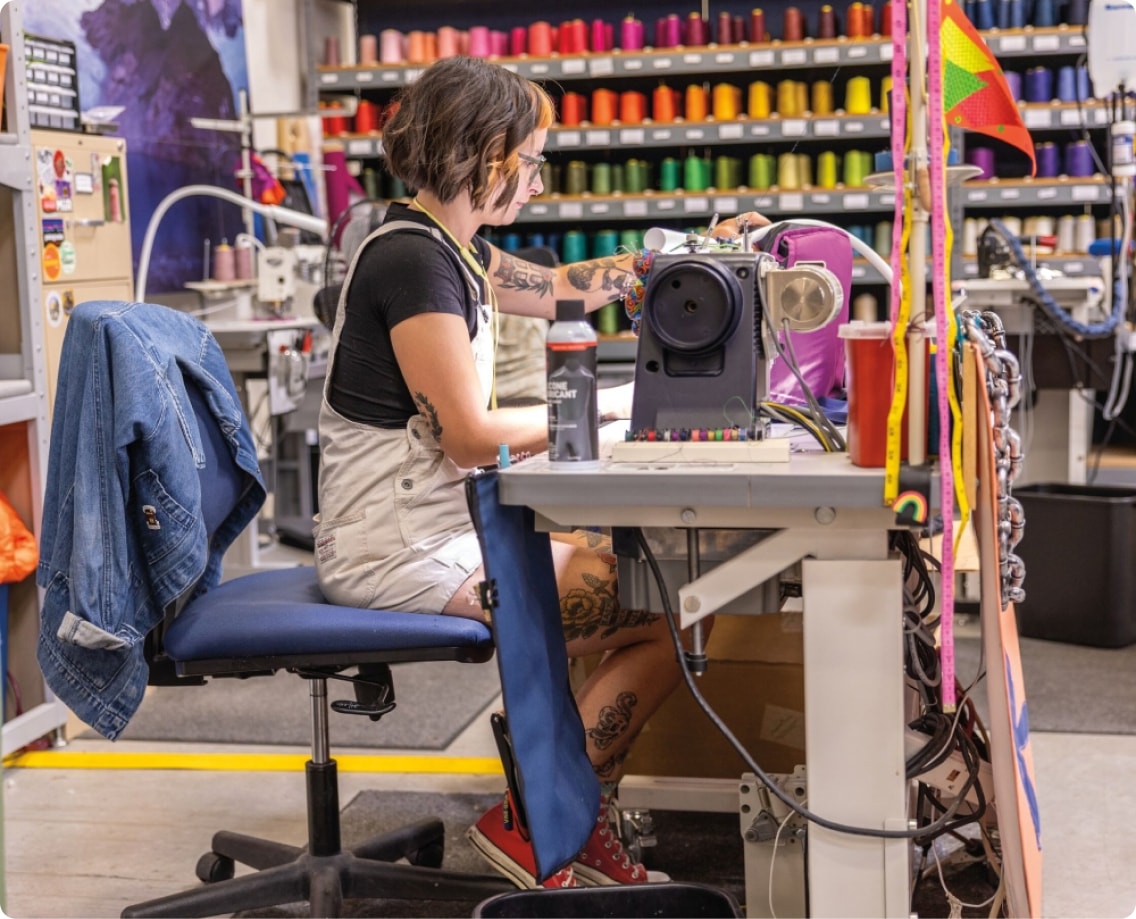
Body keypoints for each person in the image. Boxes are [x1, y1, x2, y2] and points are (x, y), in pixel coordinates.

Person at [313, 55, 768, 890]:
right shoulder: (411, 262)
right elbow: (471, 437)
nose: (535, 183)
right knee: (673, 603)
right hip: (396, 553)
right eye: (530, 162)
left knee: (648, 579)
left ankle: (567, 817)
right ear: (487, 154)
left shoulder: (456, 252)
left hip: (438, 532)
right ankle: (538, 814)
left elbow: (560, 288)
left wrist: (677, 260)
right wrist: (619, 404)